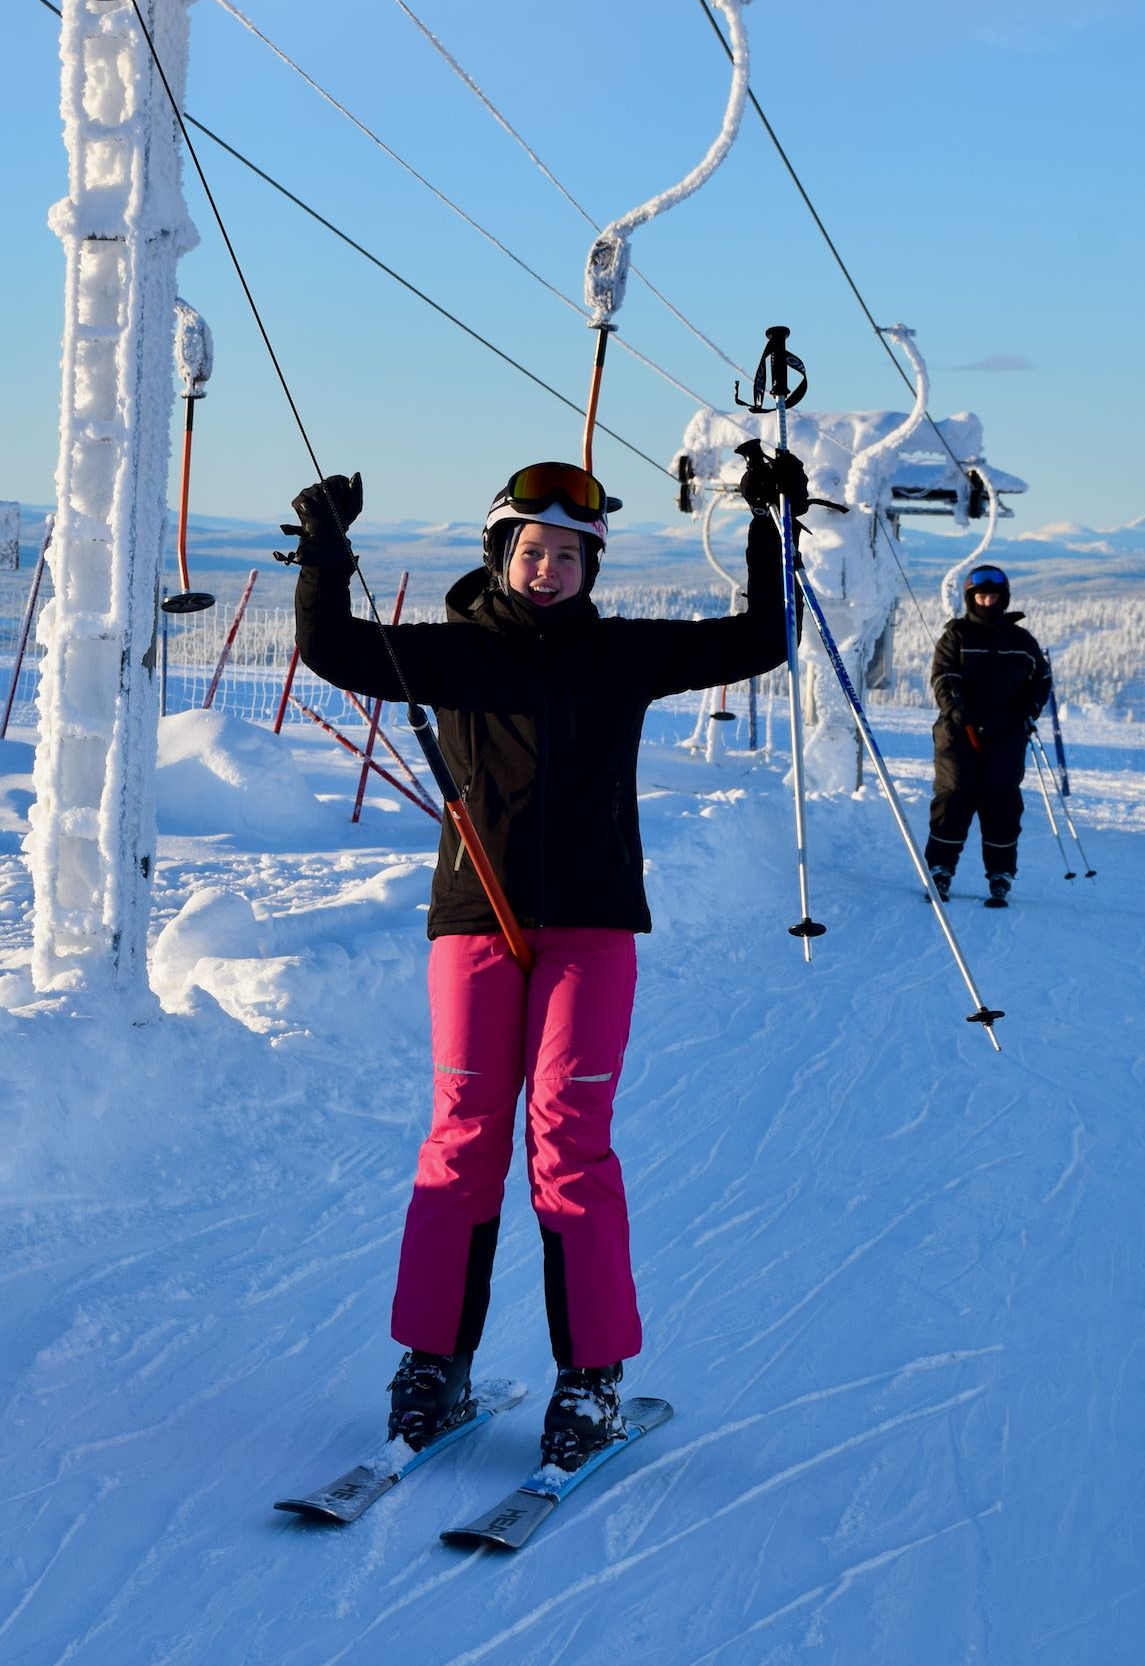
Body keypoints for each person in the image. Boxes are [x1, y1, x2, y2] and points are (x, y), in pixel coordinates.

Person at [286, 457, 787, 1469]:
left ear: (589, 566)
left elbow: (759, 641)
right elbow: (328, 647)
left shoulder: (621, 655)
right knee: (463, 1138)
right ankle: (433, 1364)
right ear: (499, 556)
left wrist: (765, 528)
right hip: (477, 922)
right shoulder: (457, 655)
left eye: (566, 553)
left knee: (567, 1143)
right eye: (530, 549)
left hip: (591, 929)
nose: (546, 567)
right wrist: (326, 549)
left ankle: (590, 1379)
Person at [924, 564, 1049, 908]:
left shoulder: (1022, 641)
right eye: (981, 595)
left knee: (1001, 801)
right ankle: (939, 869)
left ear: (1004, 598)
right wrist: (954, 707)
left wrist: (1028, 711)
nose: (987, 601)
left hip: (1006, 734)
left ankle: (1000, 873)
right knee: (954, 796)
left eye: (994, 596)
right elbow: (942, 676)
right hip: (958, 732)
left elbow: (1041, 679)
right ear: (970, 598)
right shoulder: (956, 636)